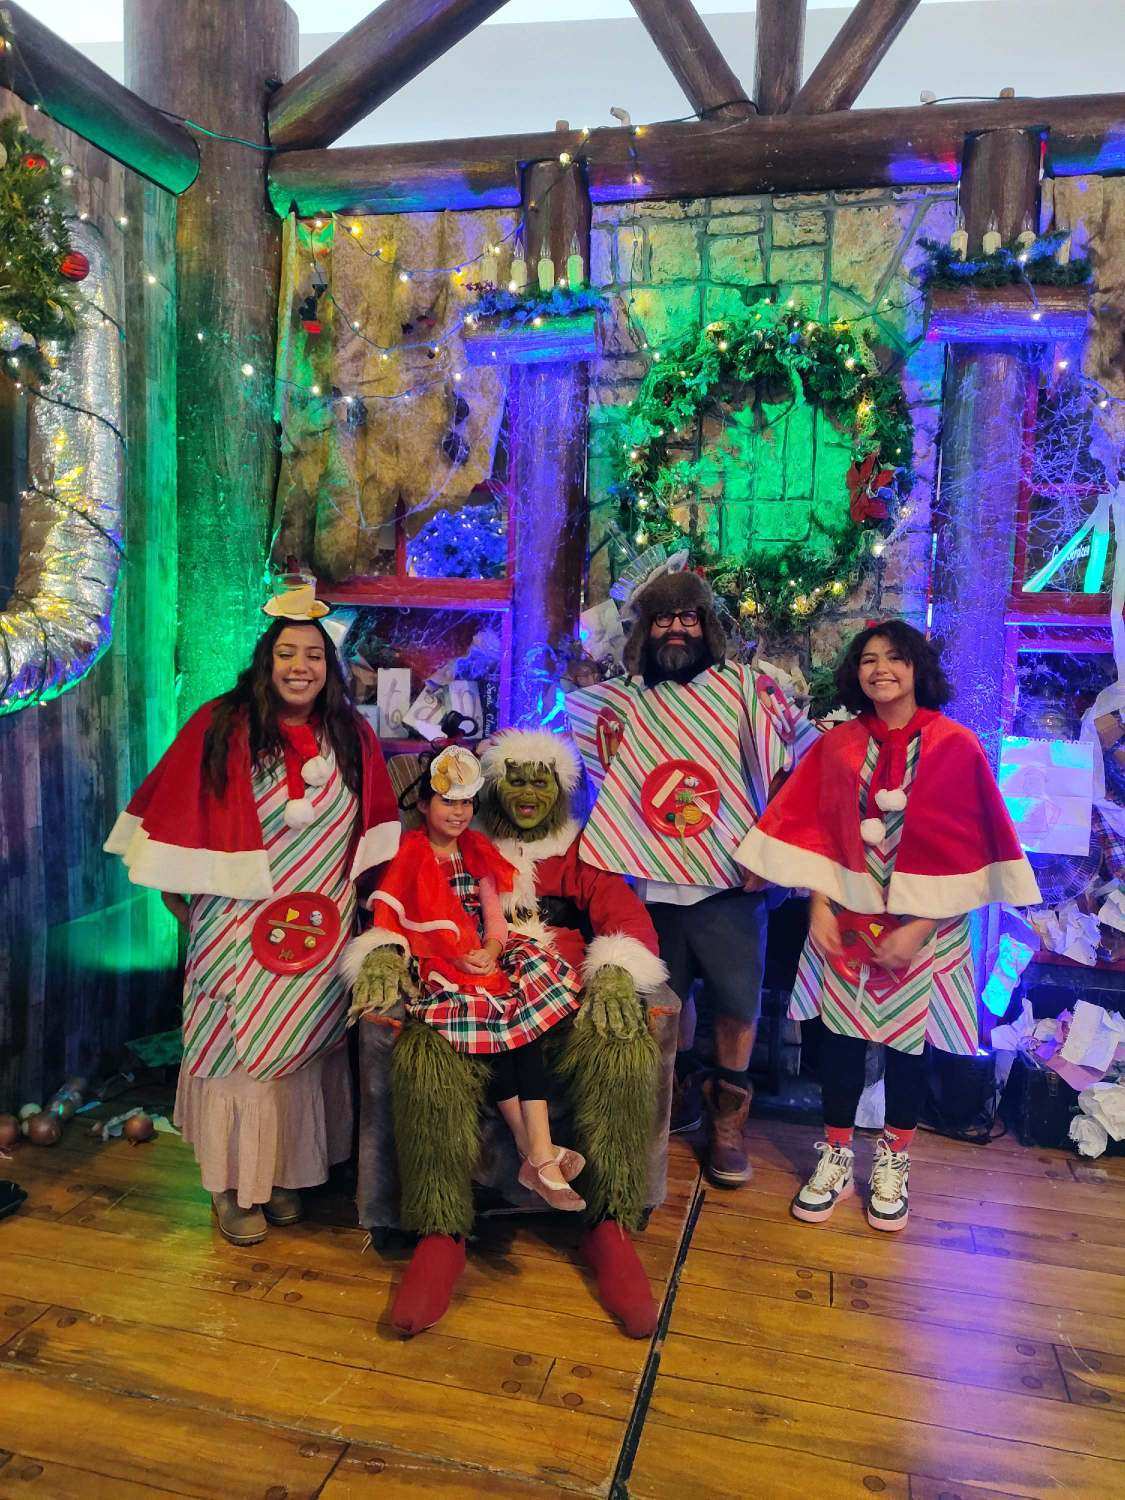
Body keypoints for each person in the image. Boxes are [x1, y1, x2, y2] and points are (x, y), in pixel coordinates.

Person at [345, 728, 672, 1339]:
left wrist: (615, 969)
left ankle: (608, 1223)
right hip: (467, 980)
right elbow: (396, 905)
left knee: (623, 1050)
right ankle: (440, 1231)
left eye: (540, 782)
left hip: (560, 981)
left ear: (560, 790)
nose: (526, 794)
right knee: (426, 1056)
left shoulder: (580, 849)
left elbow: (623, 912)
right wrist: (385, 951)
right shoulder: (462, 847)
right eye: (514, 781)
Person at [105, 578, 399, 1245]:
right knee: (236, 1054)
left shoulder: (350, 734)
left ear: (329, 666)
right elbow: (173, 817)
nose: (301, 667)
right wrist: (185, 903)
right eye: (287, 653)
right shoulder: (221, 725)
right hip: (237, 926)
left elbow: (371, 833)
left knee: (301, 1053)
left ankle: (284, 1172)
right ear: (267, 660)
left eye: (314, 655)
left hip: (317, 931)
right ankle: (232, 1186)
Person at [737, 620, 1040, 1231]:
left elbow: (969, 848)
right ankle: (834, 1156)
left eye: (895, 658)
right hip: (846, 916)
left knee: (908, 1048)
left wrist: (919, 927)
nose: (881, 669)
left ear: (916, 667)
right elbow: (815, 830)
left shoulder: (956, 746)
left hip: (928, 928)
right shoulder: (838, 745)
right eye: (869, 659)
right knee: (840, 1042)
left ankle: (893, 1161)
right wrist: (818, 906)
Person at [567, 556, 817, 1186]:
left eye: (688, 617)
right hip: (647, 883)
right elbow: (584, 753)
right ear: (644, 629)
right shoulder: (621, 700)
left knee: (736, 1003)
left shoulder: (746, 691)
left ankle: (728, 1122)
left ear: (708, 626)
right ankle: (670, 1096)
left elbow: (791, 767)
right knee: (665, 1002)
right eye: (662, 619)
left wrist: (772, 854)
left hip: (729, 881)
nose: (676, 629)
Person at [360, 743, 587, 1211]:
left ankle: (537, 1155)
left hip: (484, 957)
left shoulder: (477, 851)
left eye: (466, 802)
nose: (459, 812)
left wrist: (491, 950)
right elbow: (398, 924)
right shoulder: (410, 854)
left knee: (522, 1022)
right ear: (424, 804)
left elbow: (495, 920)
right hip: (440, 963)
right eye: (448, 801)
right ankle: (540, 1156)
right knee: (494, 1021)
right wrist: (458, 957)